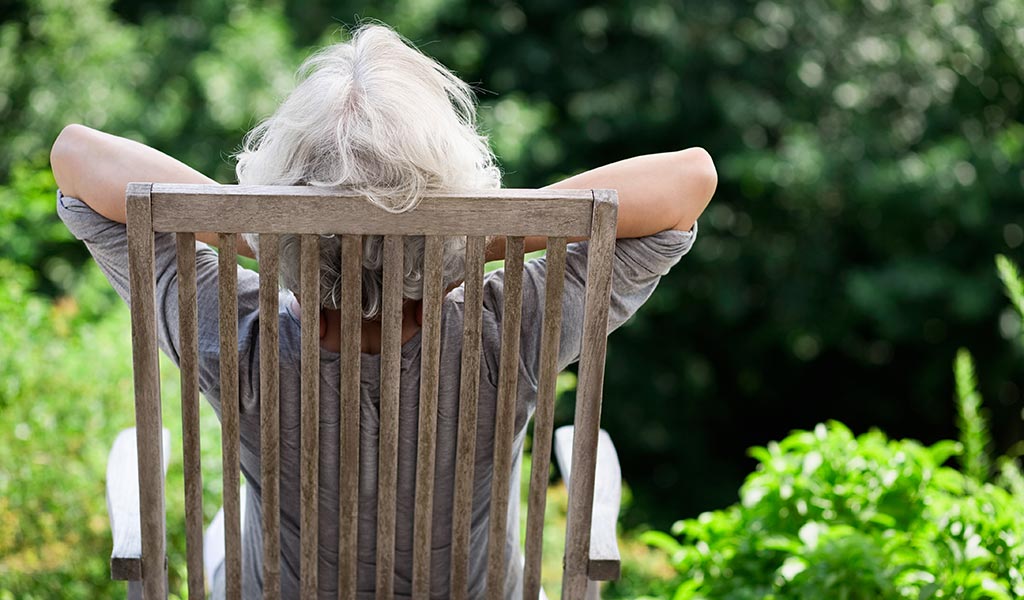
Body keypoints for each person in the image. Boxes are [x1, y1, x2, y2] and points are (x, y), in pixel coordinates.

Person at [51, 23, 716, 600]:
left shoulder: (236, 333)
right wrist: (473, 239)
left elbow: (76, 156)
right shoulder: (507, 330)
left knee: (230, 524)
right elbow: (689, 181)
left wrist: (268, 235)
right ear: (451, 191)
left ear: (281, 190)